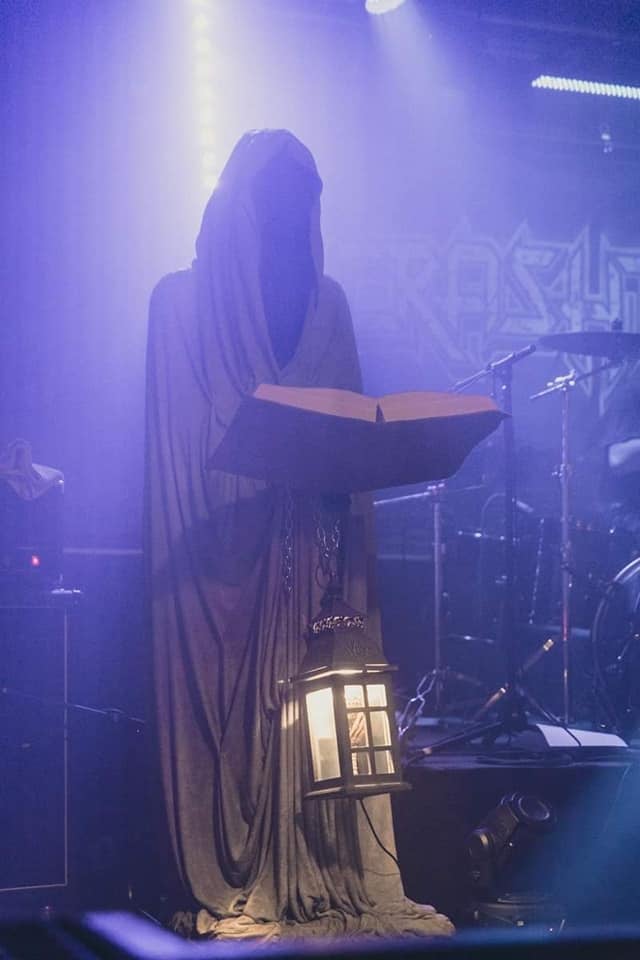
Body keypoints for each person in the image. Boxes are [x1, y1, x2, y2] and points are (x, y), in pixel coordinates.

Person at [145, 129, 452, 940]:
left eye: (304, 207)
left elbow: (347, 439)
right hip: (223, 572)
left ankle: (332, 863)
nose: (291, 224)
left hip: (314, 565)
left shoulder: (329, 305)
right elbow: (182, 464)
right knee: (247, 731)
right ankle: (246, 867)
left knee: (328, 713)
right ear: (241, 209)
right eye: (274, 206)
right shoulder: (180, 305)